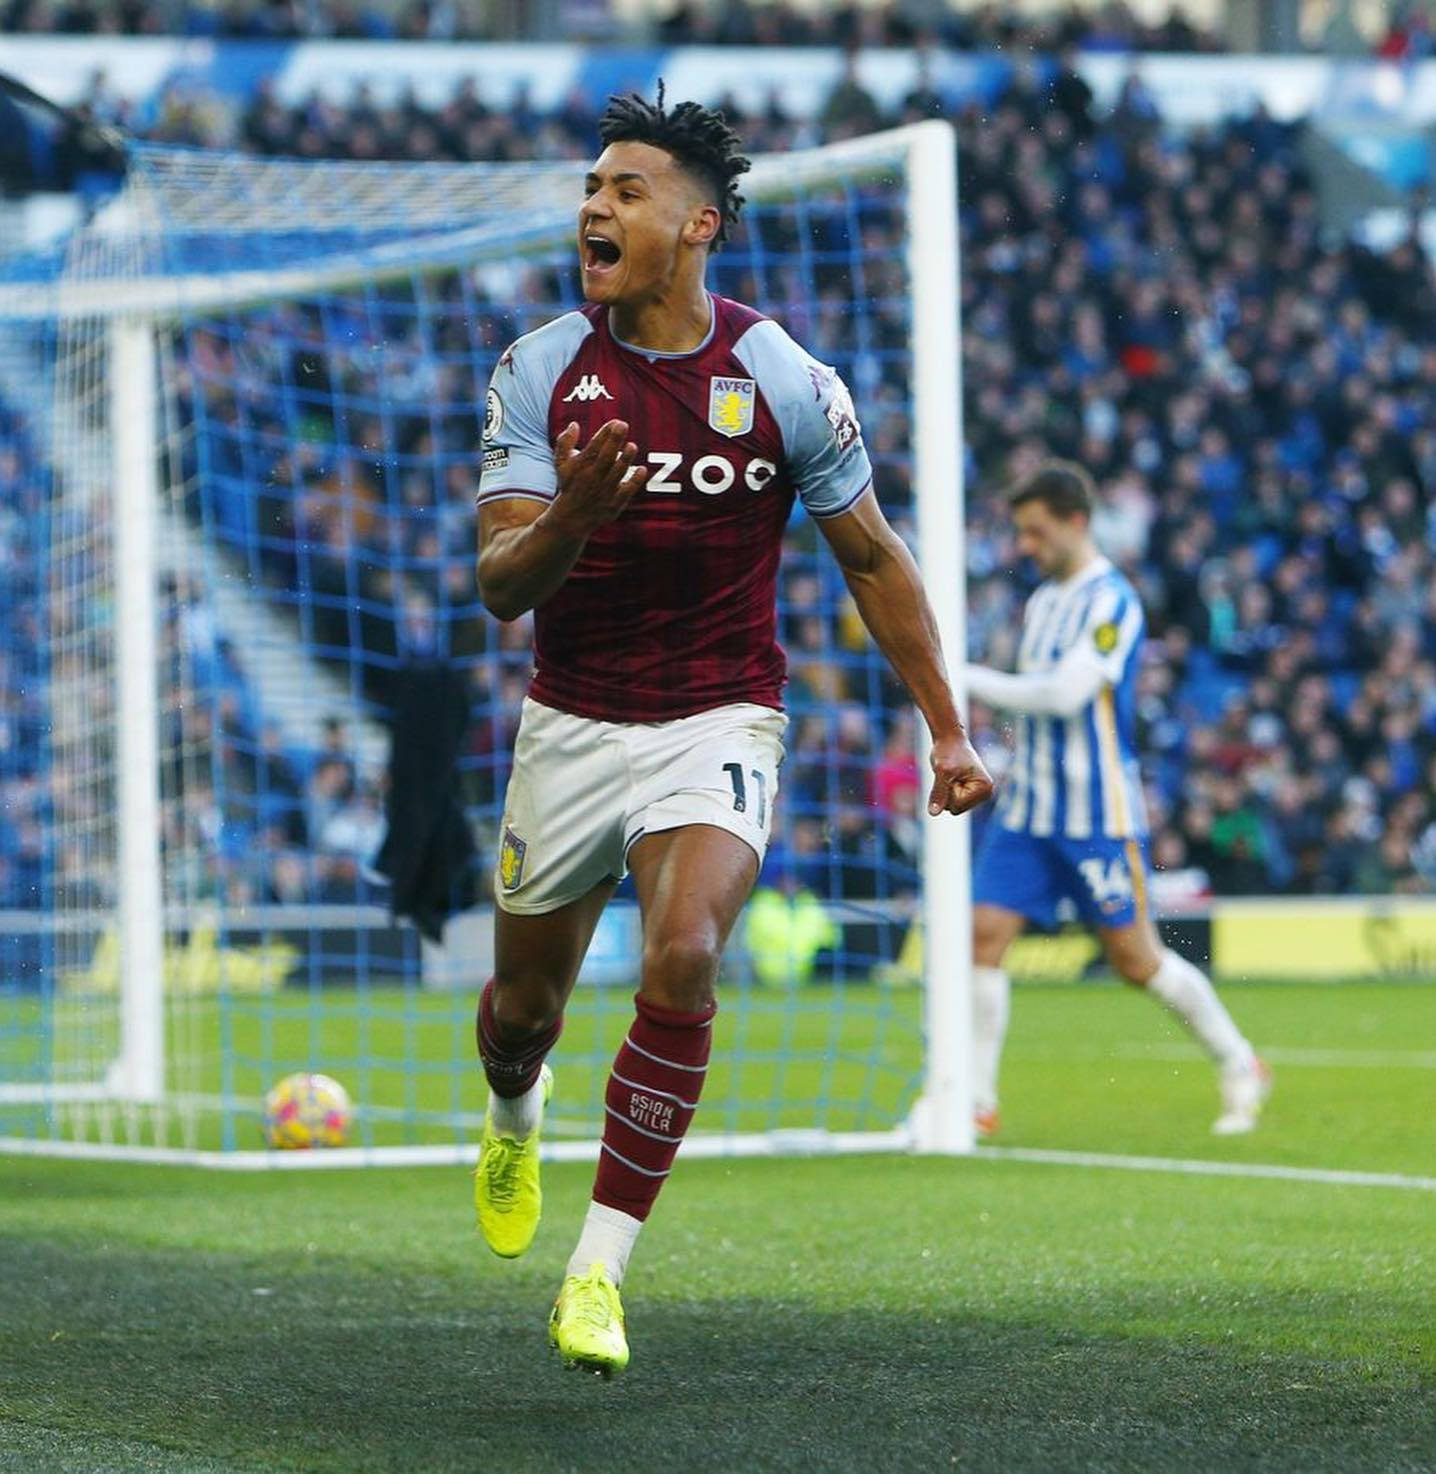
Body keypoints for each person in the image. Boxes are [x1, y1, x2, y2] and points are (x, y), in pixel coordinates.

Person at [472, 88, 993, 1376]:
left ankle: (596, 1272)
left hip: (718, 714)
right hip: (571, 721)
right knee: (520, 1009)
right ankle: (511, 1113)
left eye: (623, 190)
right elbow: (498, 585)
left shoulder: (780, 377)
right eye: (590, 187)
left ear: (696, 226)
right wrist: (573, 519)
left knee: (687, 949)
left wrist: (946, 729)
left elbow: (871, 558)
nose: (593, 205)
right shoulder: (540, 366)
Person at [965, 461, 1270, 1141]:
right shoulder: (1042, 601)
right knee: (980, 941)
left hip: (1097, 815)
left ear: (1077, 521)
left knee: (1136, 961)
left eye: (1036, 533)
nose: (1026, 547)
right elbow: (1034, 704)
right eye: (1021, 534)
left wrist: (965, 678)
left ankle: (1239, 1059)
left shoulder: (1113, 602)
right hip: (1028, 813)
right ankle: (975, 1102)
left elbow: (1070, 693)